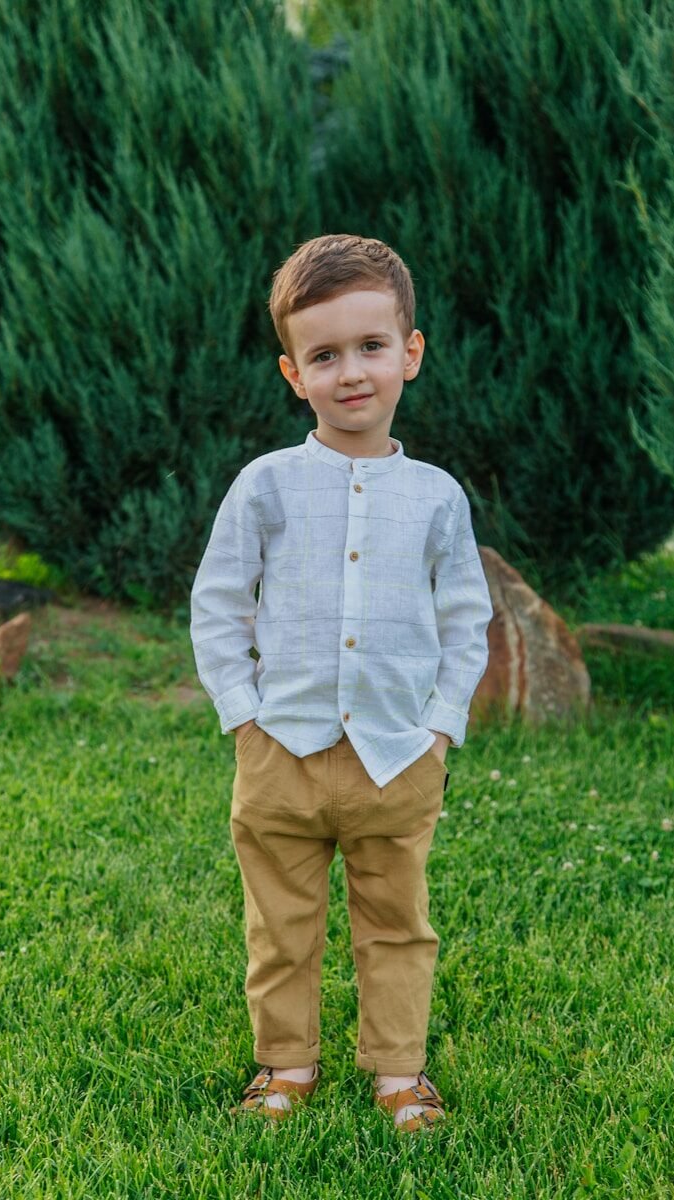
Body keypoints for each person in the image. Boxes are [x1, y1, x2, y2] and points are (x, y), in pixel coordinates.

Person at [190, 234, 493, 1133]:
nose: (349, 372)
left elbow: (465, 620)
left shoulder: (437, 496)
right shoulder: (267, 485)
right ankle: (286, 1064)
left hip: (399, 755)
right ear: (294, 373)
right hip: (280, 749)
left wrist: (441, 730)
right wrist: (242, 717)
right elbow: (217, 603)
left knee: (397, 921)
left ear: (410, 351)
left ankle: (400, 1071)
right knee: (280, 923)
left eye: (370, 347)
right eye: (324, 355)